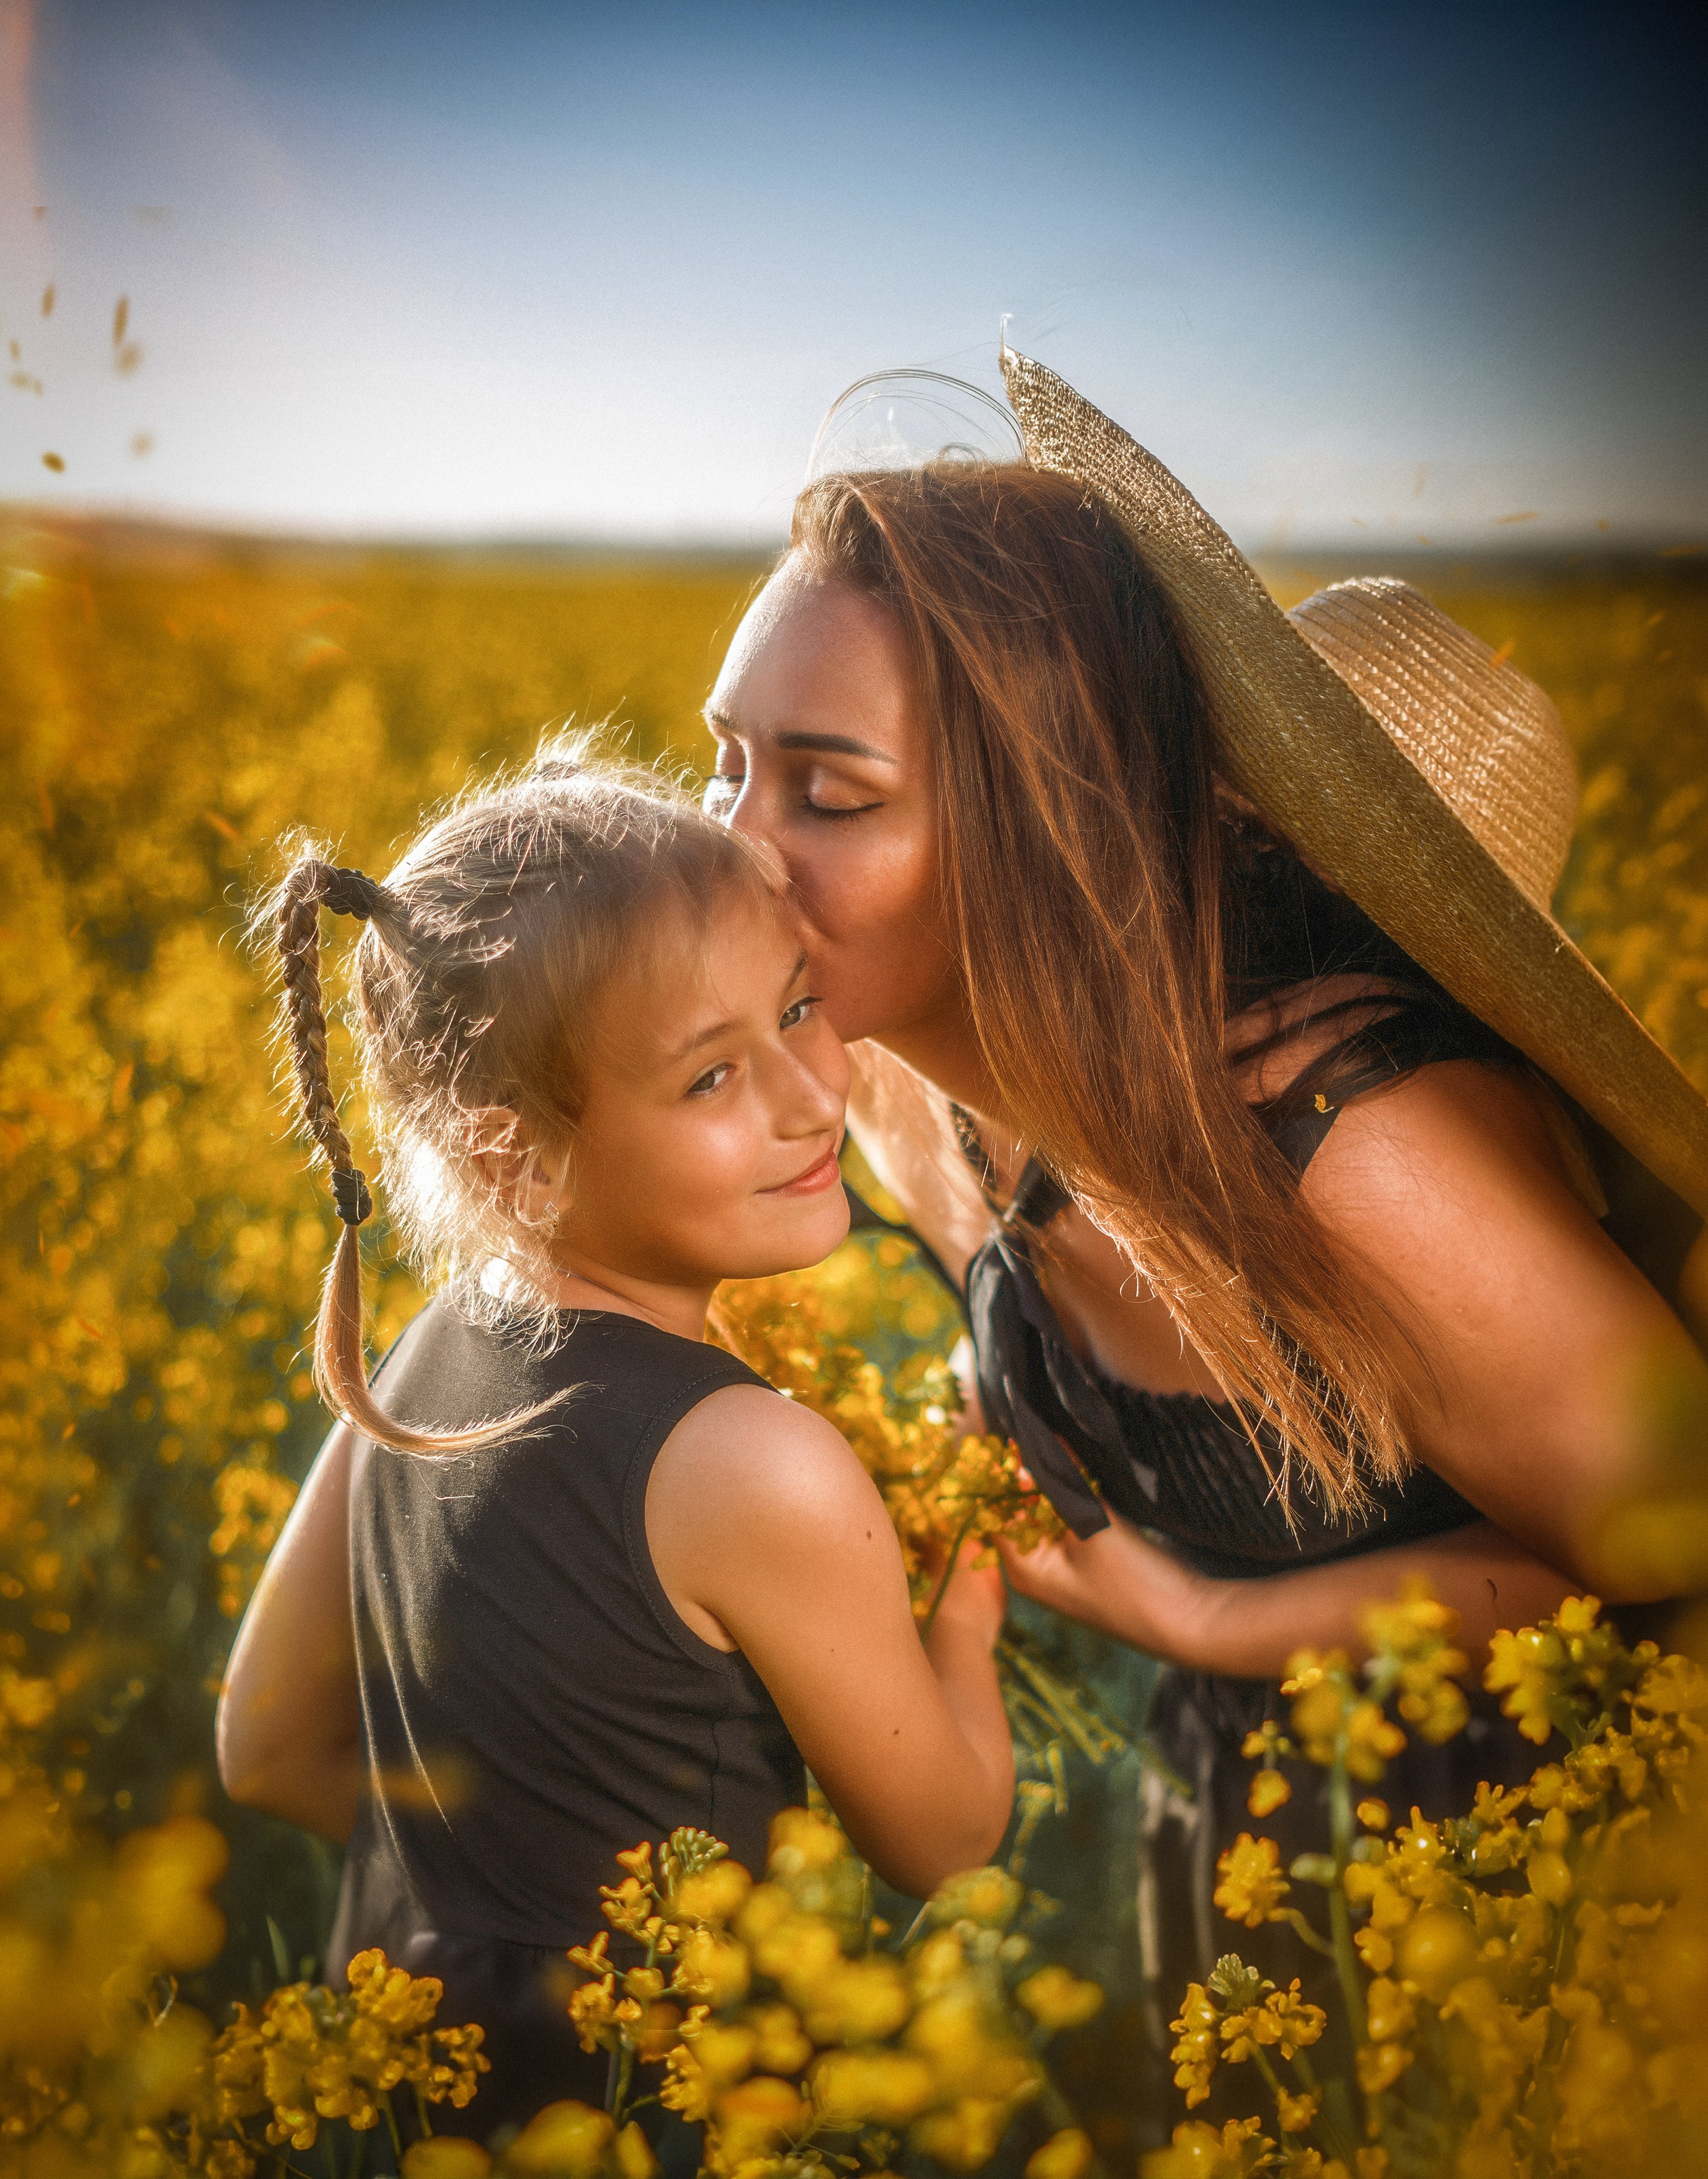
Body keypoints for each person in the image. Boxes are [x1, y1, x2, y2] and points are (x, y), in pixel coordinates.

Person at [699, 352, 1708, 2018]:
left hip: (1540, 1905)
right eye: (726, 760)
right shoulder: (891, 1072)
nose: (736, 839)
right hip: (1239, 1858)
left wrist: (1199, 1620)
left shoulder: (1351, 1149)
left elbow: (1679, 1535)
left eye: (831, 790)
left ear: (1048, 827)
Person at [215, 752, 1013, 2137]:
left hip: (417, 2100)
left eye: (800, 1009)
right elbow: (940, 1838)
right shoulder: (754, 1460)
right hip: (657, 2108)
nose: (809, 1095)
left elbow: (265, 1748)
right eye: (711, 1075)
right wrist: (980, 1572)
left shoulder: (415, 1360)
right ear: (514, 1157)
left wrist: (504, 1914)